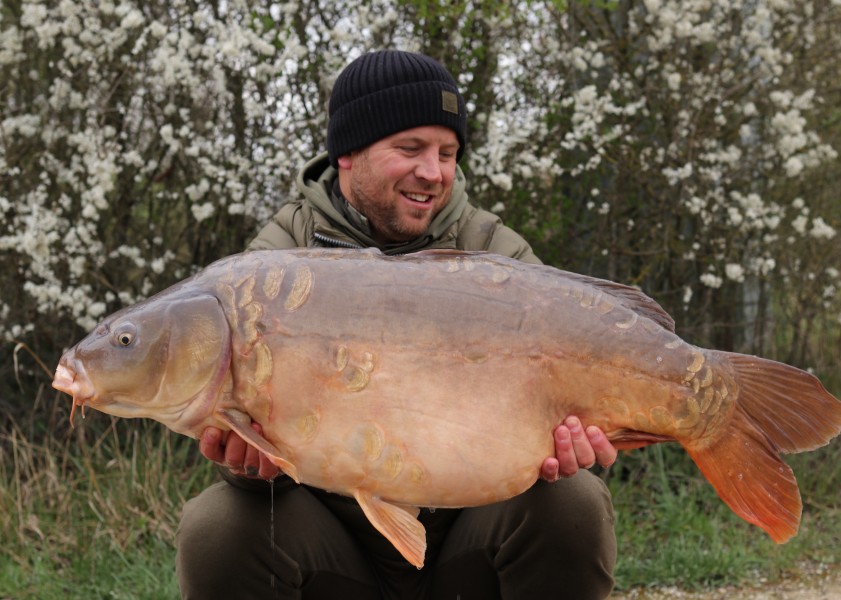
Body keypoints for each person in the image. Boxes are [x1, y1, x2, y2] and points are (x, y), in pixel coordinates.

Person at [176, 49, 618, 600]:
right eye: (409, 149)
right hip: (336, 547)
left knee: (572, 502)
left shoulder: (490, 250)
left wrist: (577, 437)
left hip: (468, 535)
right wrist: (246, 465)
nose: (432, 173)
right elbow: (238, 433)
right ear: (348, 153)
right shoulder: (278, 263)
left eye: (447, 153)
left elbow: (574, 381)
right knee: (218, 526)